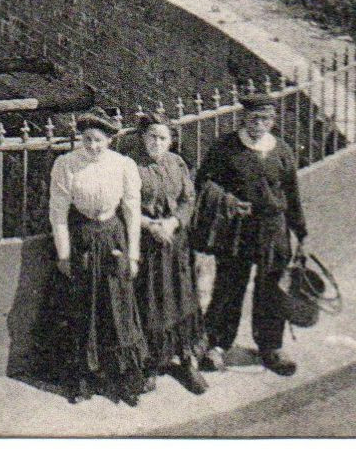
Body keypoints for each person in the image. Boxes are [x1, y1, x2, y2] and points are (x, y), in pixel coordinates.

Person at [196, 98, 308, 378]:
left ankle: (271, 347)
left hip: (273, 229)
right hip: (237, 228)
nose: (258, 125)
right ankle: (217, 346)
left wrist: (300, 231)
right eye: (253, 119)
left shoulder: (281, 150)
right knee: (229, 286)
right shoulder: (226, 148)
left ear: (273, 121)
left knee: (272, 289)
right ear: (243, 119)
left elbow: (291, 193)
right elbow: (204, 182)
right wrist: (228, 201)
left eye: (265, 119)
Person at [46, 110, 150, 406]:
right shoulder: (66, 165)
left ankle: (123, 379)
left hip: (113, 237)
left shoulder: (123, 165)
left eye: (99, 141)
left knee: (118, 307)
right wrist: (64, 254)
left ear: (109, 140)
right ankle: (82, 379)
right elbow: (58, 212)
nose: (92, 146)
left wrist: (134, 254)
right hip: (83, 240)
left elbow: (132, 210)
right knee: (83, 307)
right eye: (88, 140)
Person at [131, 116, 208, 395]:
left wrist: (173, 222)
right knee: (152, 300)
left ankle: (188, 361)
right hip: (149, 245)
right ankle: (151, 363)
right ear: (143, 138)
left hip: (176, 243)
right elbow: (124, 205)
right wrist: (150, 226)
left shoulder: (177, 163)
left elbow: (189, 198)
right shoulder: (133, 167)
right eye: (152, 137)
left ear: (171, 141)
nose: (157, 143)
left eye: (163, 138)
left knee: (182, 297)